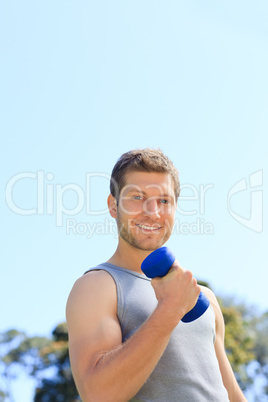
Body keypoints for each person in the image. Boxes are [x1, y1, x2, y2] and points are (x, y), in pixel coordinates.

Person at [66, 148, 246, 401]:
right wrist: (170, 309)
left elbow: (230, 392)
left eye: (164, 200)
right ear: (113, 206)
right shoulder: (97, 285)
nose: (152, 212)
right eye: (137, 197)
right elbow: (99, 394)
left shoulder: (202, 296)